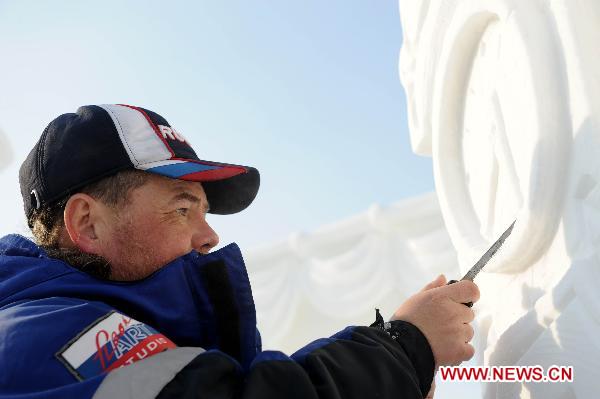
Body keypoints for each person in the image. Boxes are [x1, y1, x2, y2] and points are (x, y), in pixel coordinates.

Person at [0, 104, 479, 399]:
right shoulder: (37, 335)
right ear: (87, 223)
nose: (209, 237)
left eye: (206, 213)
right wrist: (401, 350)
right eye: (182, 210)